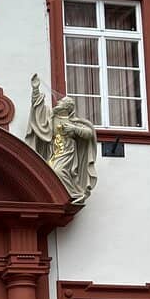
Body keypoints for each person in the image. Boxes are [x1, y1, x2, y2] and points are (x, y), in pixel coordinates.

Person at [25, 74, 98, 204]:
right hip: (53, 152)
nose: (58, 102)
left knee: (57, 171)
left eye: (61, 102)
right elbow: (38, 112)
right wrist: (35, 90)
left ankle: (75, 194)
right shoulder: (51, 118)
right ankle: (64, 194)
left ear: (67, 107)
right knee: (50, 172)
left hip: (67, 151)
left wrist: (74, 129)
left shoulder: (72, 121)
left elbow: (88, 133)